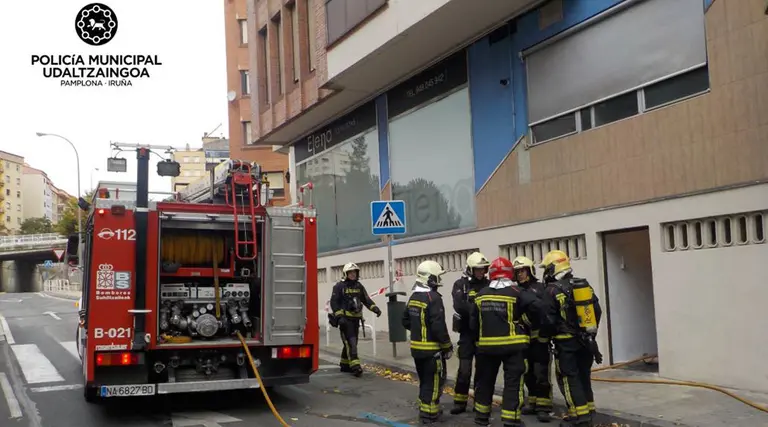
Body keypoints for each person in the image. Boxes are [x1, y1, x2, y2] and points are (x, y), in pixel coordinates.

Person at [470, 257, 545, 427]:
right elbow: (539, 308)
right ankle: (511, 420)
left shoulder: (481, 295)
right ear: (510, 273)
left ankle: (481, 418)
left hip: (486, 347)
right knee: (513, 383)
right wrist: (525, 321)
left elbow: (473, 323)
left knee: (485, 382)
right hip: (513, 346)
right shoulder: (517, 292)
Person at [538, 250, 603, 427]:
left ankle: (580, 419)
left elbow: (547, 321)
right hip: (586, 342)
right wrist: (590, 334)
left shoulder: (552, 290)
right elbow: (596, 311)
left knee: (569, 379)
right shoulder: (583, 285)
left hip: (565, 344)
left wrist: (546, 337)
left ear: (553, 268)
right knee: (584, 376)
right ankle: (589, 412)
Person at [402, 260, 453, 424]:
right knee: (435, 381)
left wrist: (418, 329)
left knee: (425, 381)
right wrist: (447, 346)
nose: (439, 280)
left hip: (416, 349)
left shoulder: (414, 296)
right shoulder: (434, 298)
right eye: (437, 276)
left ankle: (424, 410)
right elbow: (438, 326)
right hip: (432, 351)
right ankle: (430, 414)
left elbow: (405, 321)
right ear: (430, 278)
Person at [513, 256, 553, 423]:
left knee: (541, 373)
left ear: (530, 271)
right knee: (528, 373)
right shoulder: (514, 290)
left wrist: (528, 321)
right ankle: (534, 402)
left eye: (523, 271)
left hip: (539, 339)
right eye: (518, 272)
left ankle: (544, 407)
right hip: (523, 340)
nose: (520, 275)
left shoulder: (540, 288)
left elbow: (544, 312)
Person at [450, 252, 491, 414]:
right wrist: (477, 309)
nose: (481, 272)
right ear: (470, 269)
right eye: (478, 269)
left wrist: (473, 307)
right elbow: (459, 306)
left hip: (484, 334)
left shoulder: (489, 284)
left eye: (483, 269)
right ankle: (459, 402)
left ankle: (479, 403)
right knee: (464, 370)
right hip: (466, 334)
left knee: (482, 371)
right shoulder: (460, 285)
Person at [330, 262, 382, 377]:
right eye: (350, 272)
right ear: (345, 274)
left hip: (355, 320)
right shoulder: (339, 286)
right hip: (345, 320)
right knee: (351, 343)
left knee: (350, 343)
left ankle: (344, 365)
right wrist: (339, 317)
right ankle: (356, 367)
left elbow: (366, 299)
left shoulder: (359, 286)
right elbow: (334, 302)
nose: (353, 274)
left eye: (354, 272)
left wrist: (375, 309)